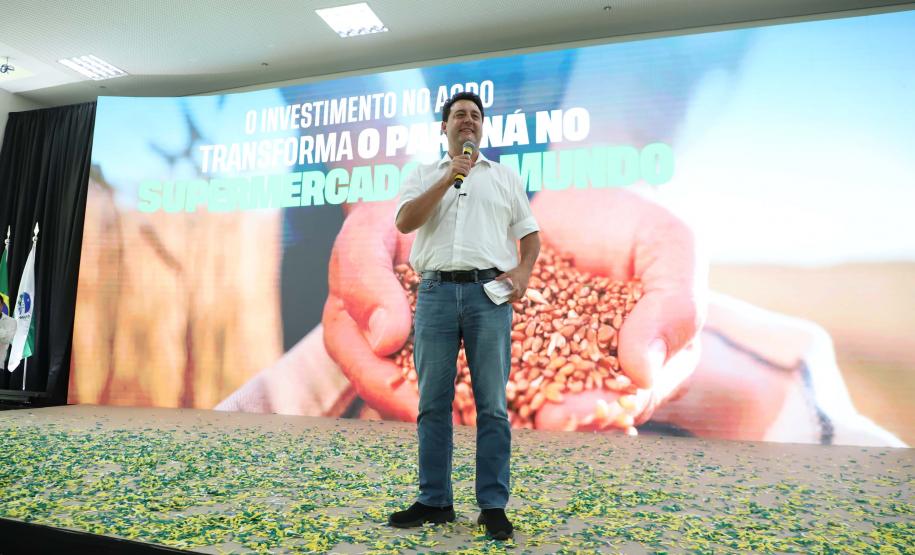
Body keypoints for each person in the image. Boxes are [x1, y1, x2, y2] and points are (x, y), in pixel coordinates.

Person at [379, 92, 541, 540]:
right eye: (458, 116)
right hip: (433, 293)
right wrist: (450, 175)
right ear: (444, 127)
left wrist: (523, 271)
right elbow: (406, 222)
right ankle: (435, 500)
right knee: (432, 404)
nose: (467, 122)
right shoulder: (424, 174)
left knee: (491, 405)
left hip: (488, 295)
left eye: (475, 116)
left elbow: (530, 236)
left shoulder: (505, 177)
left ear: (483, 127)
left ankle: (492, 504)